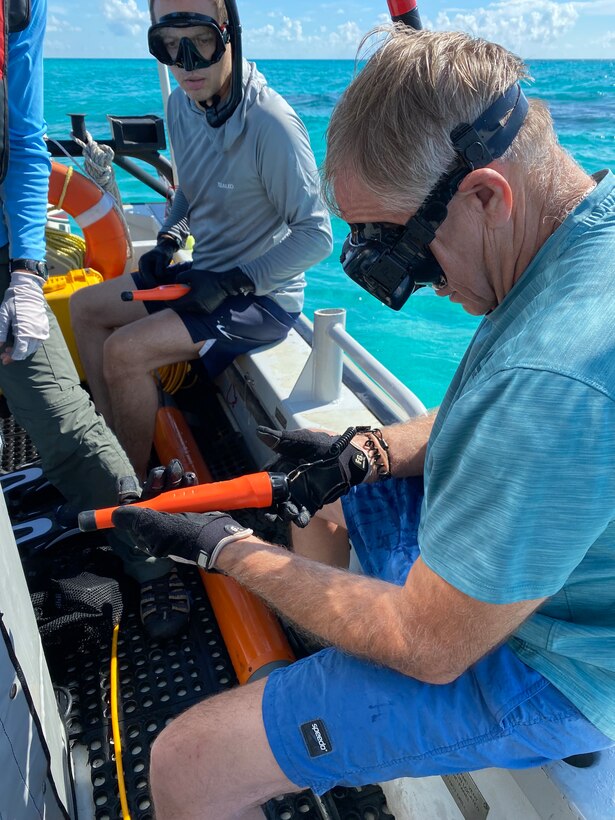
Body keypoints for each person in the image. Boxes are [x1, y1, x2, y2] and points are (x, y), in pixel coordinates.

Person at [112, 27, 615, 819]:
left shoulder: (552, 375)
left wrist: (227, 550)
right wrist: (365, 454)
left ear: (485, 195)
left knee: (187, 760)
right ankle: (318, 690)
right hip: (557, 571)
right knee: (323, 499)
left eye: (398, 250)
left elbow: (431, 645)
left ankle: (291, 719)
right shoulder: (581, 232)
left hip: (560, 658)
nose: (402, 287)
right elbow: (485, 401)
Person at [70, 0, 332, 482]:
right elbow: (189, 187)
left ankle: (127, 494)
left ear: (230, 35)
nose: (185, 64)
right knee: (85, 308)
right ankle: (114, 451)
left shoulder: (271, 124)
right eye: (169, 46)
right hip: (206, 275)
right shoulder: (180, 106)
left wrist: (236, 281)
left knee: (124, 352)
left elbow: (316, 236)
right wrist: (170, 239)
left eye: (201, 43)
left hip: (263, 299)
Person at [0, 0, 191, 643]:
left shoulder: (18, 9)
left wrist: (25, 271)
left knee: (65, 422)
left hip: (7, 259)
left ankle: (146, 557)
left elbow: (24, 141)